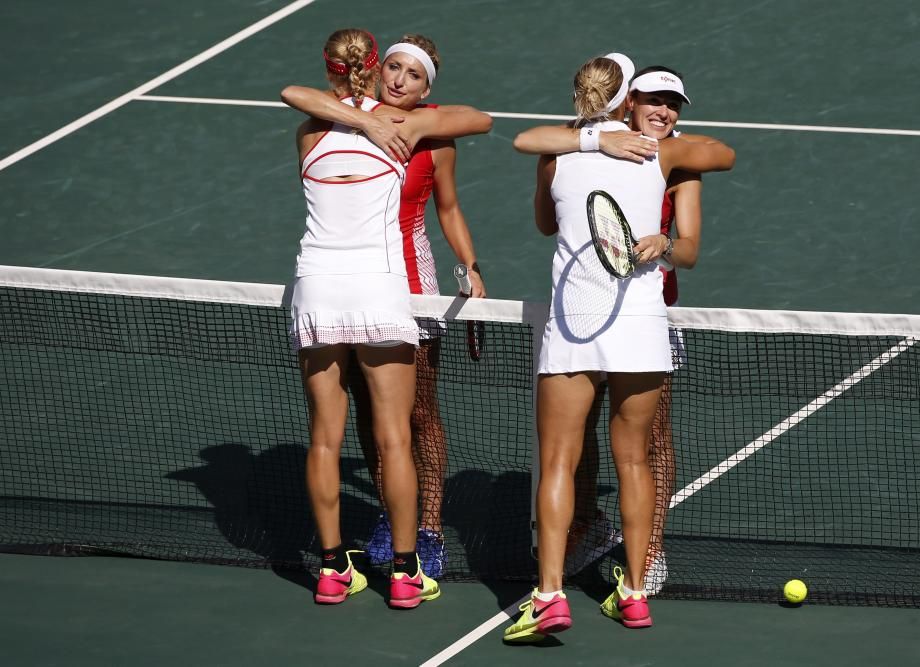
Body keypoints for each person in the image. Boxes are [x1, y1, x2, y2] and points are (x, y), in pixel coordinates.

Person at [503, 54, 734, 642]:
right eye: (652, 100)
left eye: (671, 105)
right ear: (626, 99)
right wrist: (624, 144)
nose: (663, 112)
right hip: (632, 328)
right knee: (627, 461)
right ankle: (627, 593)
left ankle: (555, 595)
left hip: (589, 324)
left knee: (561, 461)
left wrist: (597, 145)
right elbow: (725, 154)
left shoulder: (559, 152)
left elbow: (543, 219)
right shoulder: (657, 152)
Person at [285, 28, 491, 609]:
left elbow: (293, 92)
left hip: (317, 289)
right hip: (379, 290)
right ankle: (404, 573)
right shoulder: (408, 127)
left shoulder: (307, 132)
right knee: (393, 435)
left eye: (413, 74)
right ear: (376, 70)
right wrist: (378, 123)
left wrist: (469, 263)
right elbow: (483, 119)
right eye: (392, 69)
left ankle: (331, 571)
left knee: (325, 439)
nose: (399, 81)